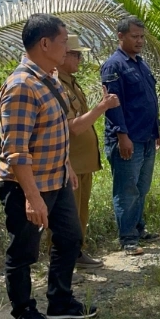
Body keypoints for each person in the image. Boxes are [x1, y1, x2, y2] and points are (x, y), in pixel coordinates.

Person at [0, 14, 98, 319]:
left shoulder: (49, 77)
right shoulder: (21, 86)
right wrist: (32, 196)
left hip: (56, 178)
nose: (67, 47)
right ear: (44, 44)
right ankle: (24, 310)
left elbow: (55, 130)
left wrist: (65, 164)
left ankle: (59, 301)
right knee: (24, 251)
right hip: (27, 186)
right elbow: (16, 151)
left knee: (70, 238)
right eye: (64, 40)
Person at [52, 34, 120, 268]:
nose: (80, 59)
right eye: (76, 55)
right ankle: (65, 258)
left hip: (82, 162)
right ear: (63, 56)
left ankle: (77, 253)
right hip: (70, 162)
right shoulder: (57, 85)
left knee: (81, 213)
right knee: (68, 217)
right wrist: (102, 107)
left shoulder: (70, 81)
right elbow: (74, 127)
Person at [101, 16, 160, 256]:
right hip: (128, 139)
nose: (139, 41)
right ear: (121, 36)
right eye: (134, 37)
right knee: (127, 190)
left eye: (142, 37)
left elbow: (150, 100)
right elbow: (113, 105)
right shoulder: (114, 66)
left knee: (141, 187)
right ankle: (127, 238)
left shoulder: (140, 64)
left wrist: (157, 131)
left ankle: (138, 229)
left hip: (146, 137)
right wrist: (122, 136)